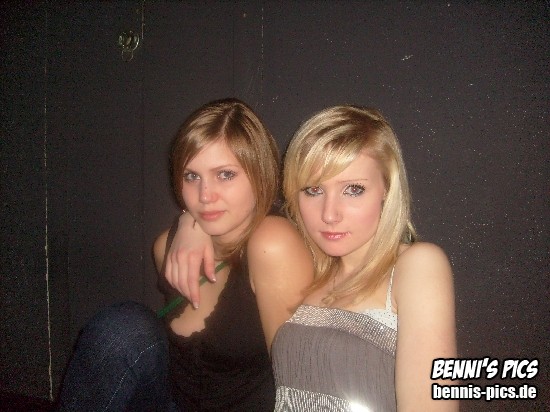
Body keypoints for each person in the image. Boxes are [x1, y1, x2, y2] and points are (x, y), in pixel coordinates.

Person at [168, 105, 457, 411]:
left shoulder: (416, 266)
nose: (329, 214)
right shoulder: (309, 273)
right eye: (313, 190)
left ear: (386, 188)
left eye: (353, 189)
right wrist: (191, 221)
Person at [56, 98, 313, 411]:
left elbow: (300, 384)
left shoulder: (274, 243)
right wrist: (188, 222)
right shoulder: (169, 248)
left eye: (225, 174)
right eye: (192, 176)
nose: (205, 196)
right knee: (122, 328)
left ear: (260, 174)